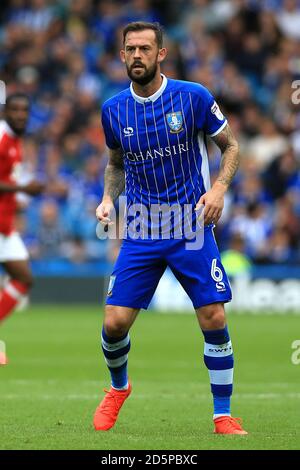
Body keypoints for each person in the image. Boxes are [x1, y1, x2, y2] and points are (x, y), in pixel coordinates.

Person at [94, 22, 247, 435]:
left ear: (161, 53)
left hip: (190, 226)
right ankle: (118, 388)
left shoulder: (192, 96)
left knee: (213, 315)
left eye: (145, 48)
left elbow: (231, 146)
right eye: (130, 49)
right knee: (113, 323)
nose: (137, 55)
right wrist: (109, 198)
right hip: (142, 228)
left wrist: (217, 188)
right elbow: (115, 164)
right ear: (122, 55)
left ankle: (222, 416)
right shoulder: (113, 109)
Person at [0, 93, 44, 363]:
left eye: (24, 110)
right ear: (6, 112)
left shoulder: (16, 142)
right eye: (15, 110)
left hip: (5, 224)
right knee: (23, 276)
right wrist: (23, 188)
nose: (20, 115)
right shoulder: (2, 138)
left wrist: (21, 197)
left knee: (24, 277)